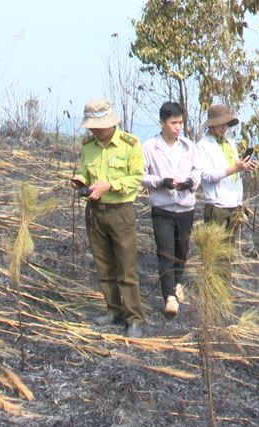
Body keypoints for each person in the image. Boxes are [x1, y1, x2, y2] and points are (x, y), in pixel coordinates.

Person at [71, 98, 144, 338]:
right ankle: (113, 310)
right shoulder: (88, 146)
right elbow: (83, 170)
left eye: (97, 126)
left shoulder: (130, 144)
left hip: (120, 212)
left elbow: (136, 178)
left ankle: (134, 318)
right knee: (104, 266)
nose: (93, 130)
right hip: (94, 213)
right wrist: (80, 180)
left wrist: (109, 186)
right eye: (90, 126)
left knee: (126, 268)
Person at [142, 102, 200, 317]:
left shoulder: (188, 146)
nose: (178, 127)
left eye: (180, 123)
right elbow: (141, 175)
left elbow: (197, 171)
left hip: (185, 206)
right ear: (162, 123)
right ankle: (169, 297)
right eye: (173, 123)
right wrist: (160, 182)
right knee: (165, 251)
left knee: (181, 252)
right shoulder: (149, 147)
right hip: (163, 207)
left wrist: (189, 182)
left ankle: (176, 284)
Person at [197, 104, 257, 242]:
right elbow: (206, 176)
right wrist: (235, 168)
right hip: (217, 206)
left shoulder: (230, 143)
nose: (223, 128)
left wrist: (245, 166)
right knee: (215, 252)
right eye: (220, 125)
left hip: (234, 204)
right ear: (211, 125)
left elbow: (235, 170)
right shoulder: (203, 146)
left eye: (226, 124)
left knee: (229, 251)